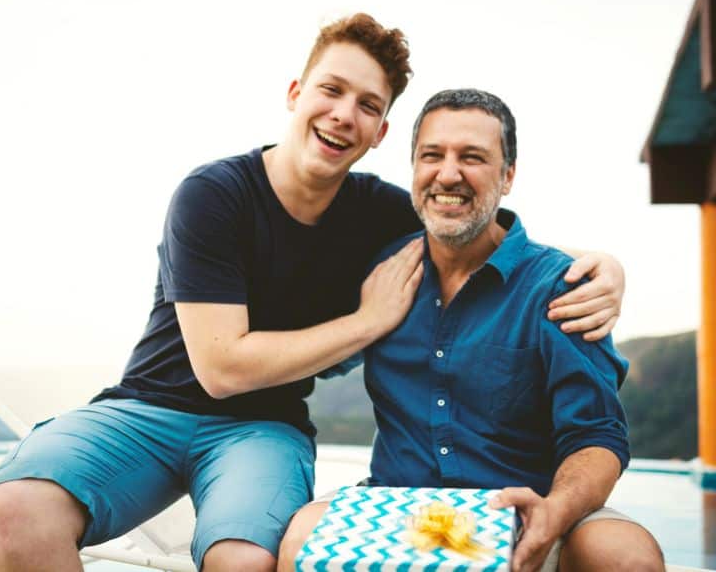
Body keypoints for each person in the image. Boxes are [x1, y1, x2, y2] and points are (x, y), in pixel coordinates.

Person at [0, 17, 625, 572]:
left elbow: (474, 225)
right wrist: (368, 321)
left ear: (379, 133)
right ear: (295, 94)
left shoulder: (384, 213)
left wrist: (601, 267)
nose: (345, 113)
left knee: (245, 558)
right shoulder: (212, 195)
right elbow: (222, 366)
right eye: (331, 89)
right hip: (147, 408)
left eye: (369, 105)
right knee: (18, 506)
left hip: (262, 428)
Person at [277, 89, 664, 572]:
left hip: (530, 508)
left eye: (473, 157)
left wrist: (553, 512)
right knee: (301, 542)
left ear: (508, 176)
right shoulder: (378, 273)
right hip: (398, 511)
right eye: (431, 156)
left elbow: (597, 435)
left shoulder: (562, 287)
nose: (448, 173)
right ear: (414, 168)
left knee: (625, 557)